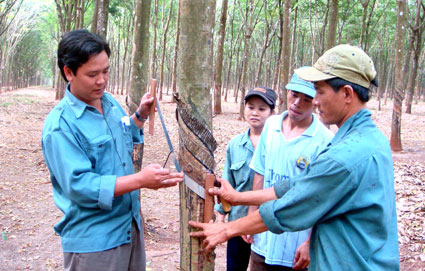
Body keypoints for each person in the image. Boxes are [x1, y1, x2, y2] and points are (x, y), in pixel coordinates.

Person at [189, 44, 400, 271]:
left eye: (319, 92)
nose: (315, 101)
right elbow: (300, 184)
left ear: (347, 93)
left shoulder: (345, 156)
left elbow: (290, 207)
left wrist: (226, 230)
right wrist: (239, 198)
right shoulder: (370, 137)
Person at [41, 29, 183, 271]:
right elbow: (81, 186)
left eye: (106, 71)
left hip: (129, 229)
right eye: (92, 74)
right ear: (68, 72)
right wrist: (140, 180)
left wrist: (139, 116)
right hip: (96, 242)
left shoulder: (110, 103)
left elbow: (122, 132)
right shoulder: (60, 127)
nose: (102, 80)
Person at [248, 69, 333, 271]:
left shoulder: (324, 140)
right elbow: (260, 171)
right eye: (294, 95)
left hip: (296, 244)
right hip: (263, 235)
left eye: (306, 99)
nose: (297, 103)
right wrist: (251, 214)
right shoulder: (270, 125)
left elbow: (323, 197)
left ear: (316, 101)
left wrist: (310, 243)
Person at [215, 87, 277, 271]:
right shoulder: (235, 144)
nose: (255, 113)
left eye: (262, 108)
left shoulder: (277, 145)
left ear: (272, 113)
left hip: (266, 223)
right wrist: (220, 214)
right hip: (238, 220)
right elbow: (229, 181)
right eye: (251, 107)